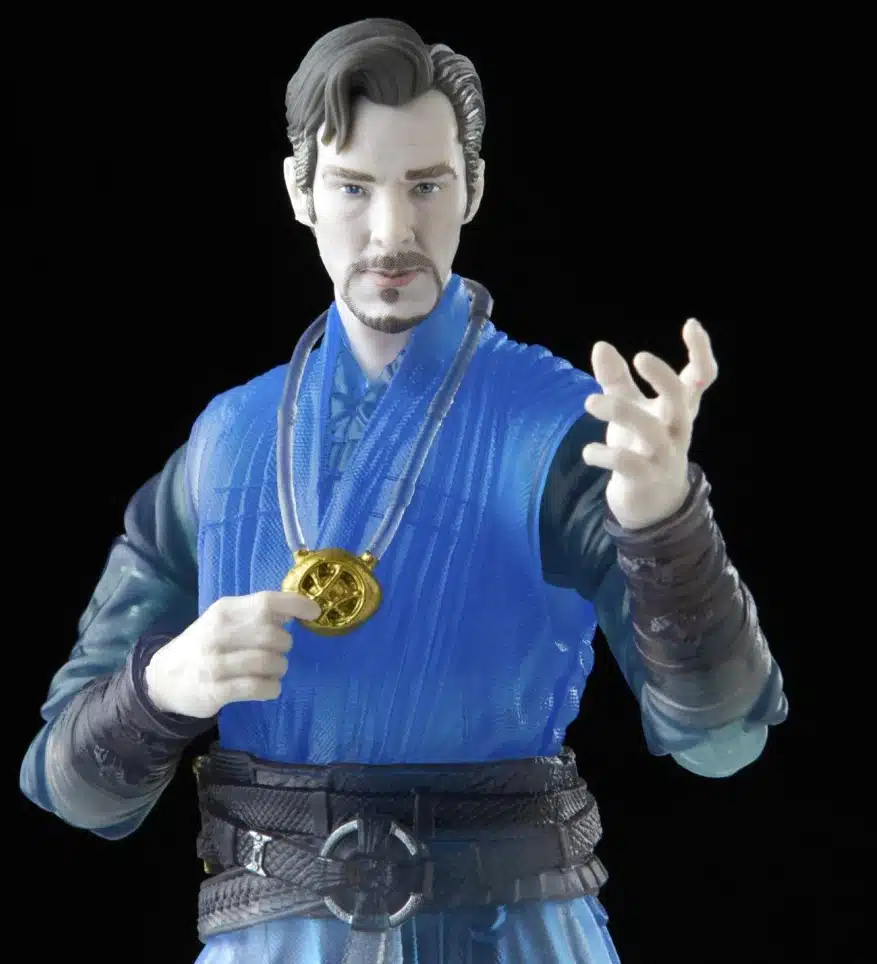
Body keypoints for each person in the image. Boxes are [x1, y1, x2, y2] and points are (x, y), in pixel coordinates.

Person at [19, 18, 788, 964]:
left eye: (426, 185)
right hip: (274, 936)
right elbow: (67, 784)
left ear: (473, 188)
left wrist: (664, 525)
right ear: (299, 192)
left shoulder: (560, 432)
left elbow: (721, 742)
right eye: (353, 187)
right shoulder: (224, 443)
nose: (391, 232)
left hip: (509, 932)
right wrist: (162, 687)